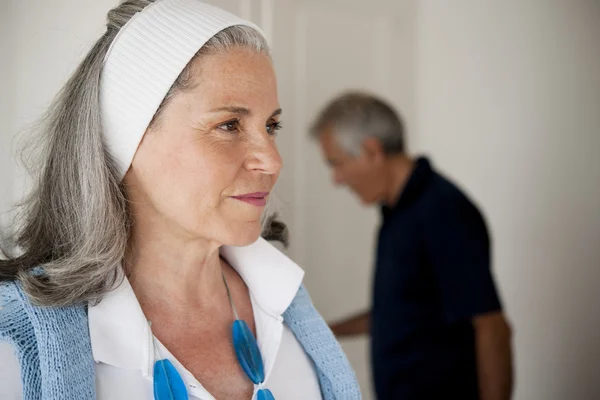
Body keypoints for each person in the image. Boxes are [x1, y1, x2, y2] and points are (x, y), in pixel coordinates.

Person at [0, 1, 362, 399]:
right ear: (127, 140)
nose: (272, 160)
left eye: (270, 125)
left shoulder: (285, 302)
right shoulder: (17, 343)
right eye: (228, 125)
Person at [310, 91, 513, 400]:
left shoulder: (442, 211)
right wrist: (319, 331)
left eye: (337, 164)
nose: (336, 179)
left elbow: (491, 327)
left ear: (371, 151)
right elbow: (401, 313)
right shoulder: (397, 212)